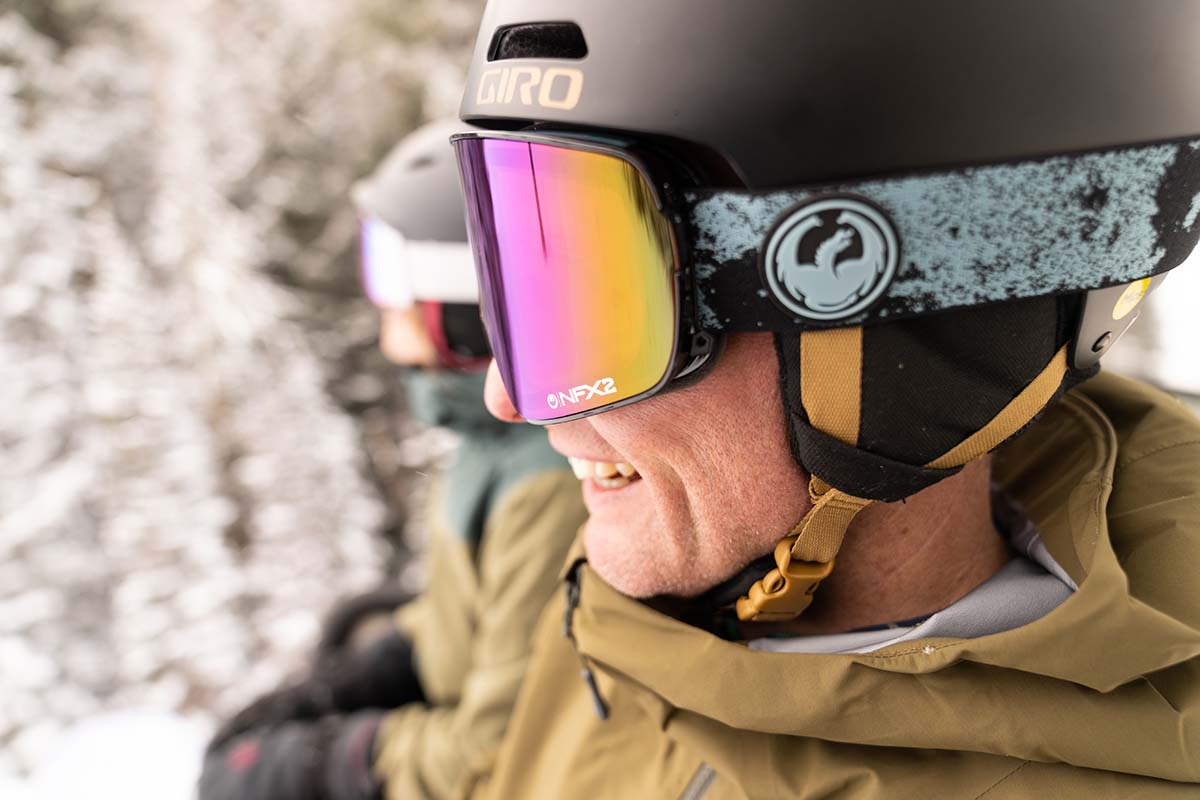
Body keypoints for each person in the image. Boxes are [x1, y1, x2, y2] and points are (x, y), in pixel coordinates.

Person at [449, 3, 1200, 797]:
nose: (511, 397)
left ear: (922, 349)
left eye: (615, 303)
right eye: (535, 295)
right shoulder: (626, 606)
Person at [197, 118, 587, 800]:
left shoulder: (551, 482)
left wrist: (338, 761)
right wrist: (388, 659)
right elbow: (475, 619)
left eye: (401, 289)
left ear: (475, 310)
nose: (389, 338)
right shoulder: (489, 445)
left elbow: (503, 748)